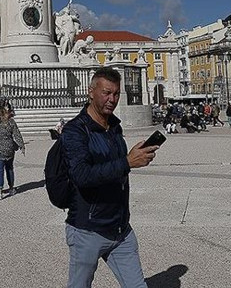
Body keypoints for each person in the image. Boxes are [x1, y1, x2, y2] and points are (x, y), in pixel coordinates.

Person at [60, 67, 158, 288]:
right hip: (88, 230)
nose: (112, 99)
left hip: (120, 228)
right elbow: (81, 176)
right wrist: (126, 162)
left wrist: (132, 157)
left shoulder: (114, 126)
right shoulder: (75, 131)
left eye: (116, 94)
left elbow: (114, 167)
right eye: (106, 92)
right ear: (91, 92)